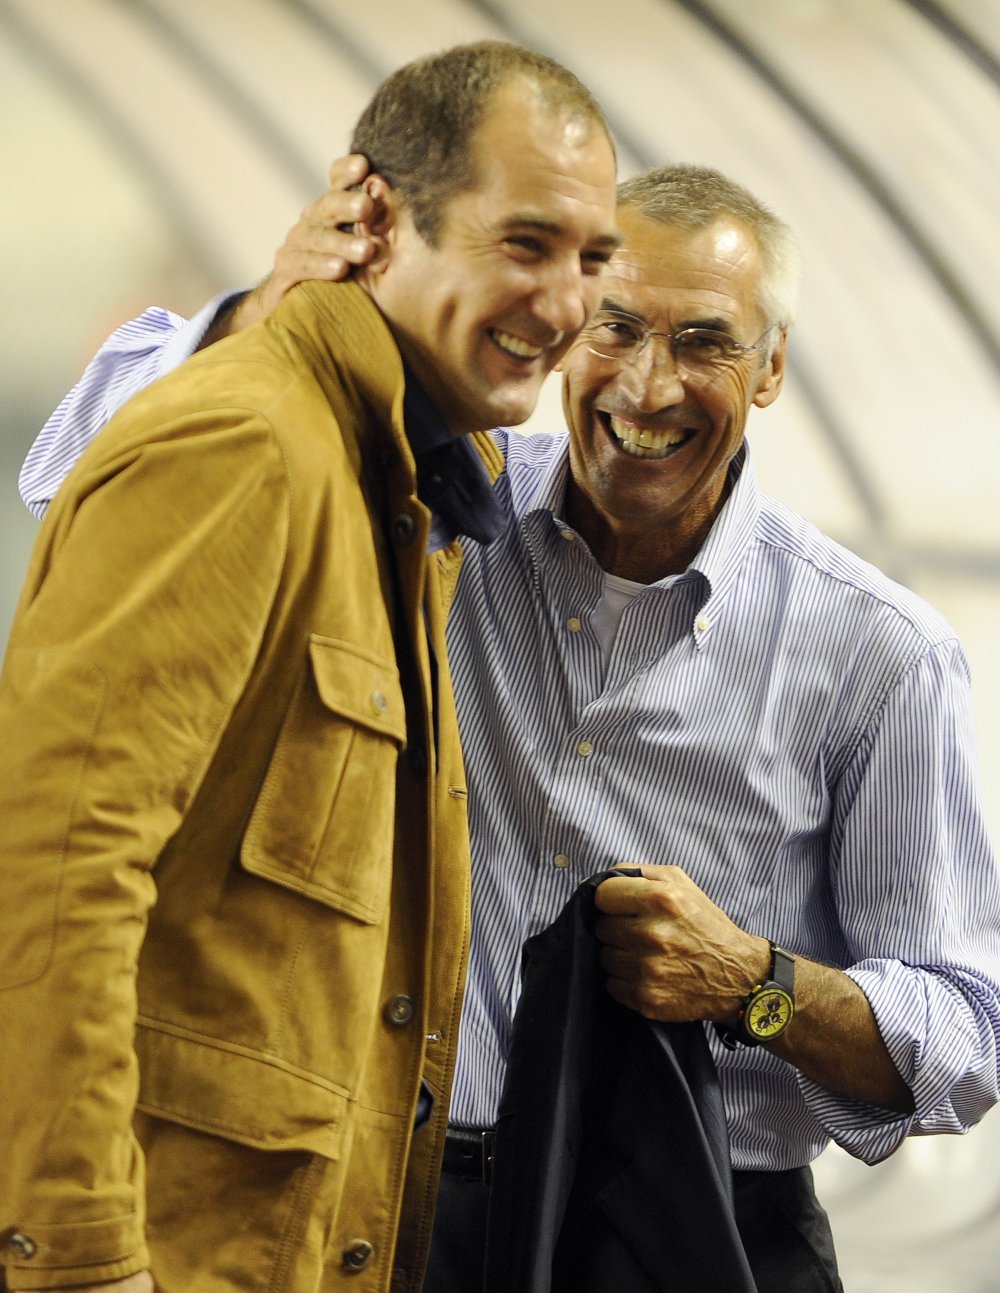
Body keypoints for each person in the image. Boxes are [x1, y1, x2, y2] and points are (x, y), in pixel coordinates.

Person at [19, 163, 1000, 1292]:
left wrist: (749, 981)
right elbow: (75, 475)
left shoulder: (877, 653)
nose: (648, 386)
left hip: (686, 1231)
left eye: (705, 344)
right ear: (560, 332)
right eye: (615, 327)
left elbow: (968, 1038)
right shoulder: (436, 513)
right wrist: (265, 312)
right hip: (383, 1207)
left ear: (772, 368)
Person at [0, 41, 620, 1293]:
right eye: (525, 244)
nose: (565, 307)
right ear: (373, 219)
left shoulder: (411, 488)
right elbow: (56, 873)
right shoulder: (245, 448)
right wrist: (79, 1262)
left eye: (591, 259)